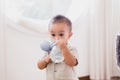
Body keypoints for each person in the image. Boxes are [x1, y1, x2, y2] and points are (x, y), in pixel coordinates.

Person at [37, 15, 79, 80]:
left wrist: (63, 48)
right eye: (53, 35)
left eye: (61, 34)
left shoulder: (71, 49)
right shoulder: (49, 50)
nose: (57, 38)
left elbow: (72, 63)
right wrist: (46, 60)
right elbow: (39, 66)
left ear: (69, 35)